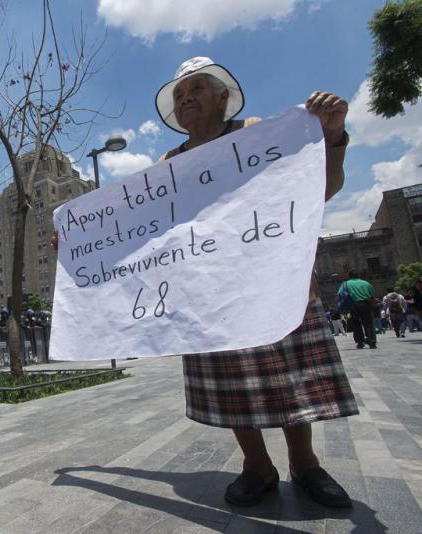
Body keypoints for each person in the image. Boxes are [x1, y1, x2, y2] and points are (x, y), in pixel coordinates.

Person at [151, 56, 357, 508]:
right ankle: (257, 466)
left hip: (274, 284)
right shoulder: (168, 163)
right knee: (232, 387)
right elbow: (144, 227)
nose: (186, 99)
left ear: (224, 98)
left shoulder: (258, 133)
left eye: (197, 90)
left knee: (290, 379)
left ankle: (305, 464)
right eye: (179, 95)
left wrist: (332, 136)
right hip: (210, 293)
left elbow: (320, 186)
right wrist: (77, 238)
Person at [338, 270, 377, 349]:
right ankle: (372, 341)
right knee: (368, 324)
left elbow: (340, 294)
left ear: (349, 276)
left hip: (353, 305)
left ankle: (360, 342)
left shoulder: (346, 284)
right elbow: (372, 293)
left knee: (356, 324)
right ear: (358, 275)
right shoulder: (365, 283)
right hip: (366, 304)